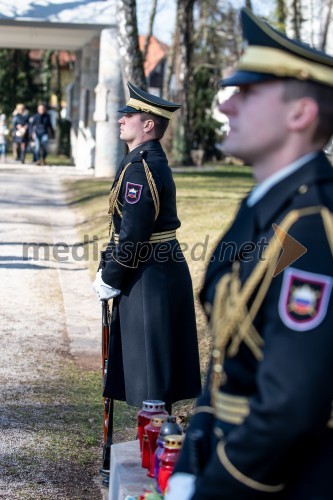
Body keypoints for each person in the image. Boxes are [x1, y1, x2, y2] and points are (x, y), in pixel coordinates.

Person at [167, 8, 333, 500]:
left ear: (299, 113)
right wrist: (193, 457)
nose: (227, 107)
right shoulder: (269, 209)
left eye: (247, 93)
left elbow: (290, 406)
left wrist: (213, 489)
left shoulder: (315, 228)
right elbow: (228, 360)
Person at [93, 82, 201, 412]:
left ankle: (157, 460)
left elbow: (134, 236)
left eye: (130, 114)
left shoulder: (142, 168)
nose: (122, 118)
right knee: (152, 379)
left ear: (149, 125)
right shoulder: (142, 162)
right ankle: (154, 455)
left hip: (149, 276)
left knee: (153, 383)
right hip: (154, 271)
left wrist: (111, 277)